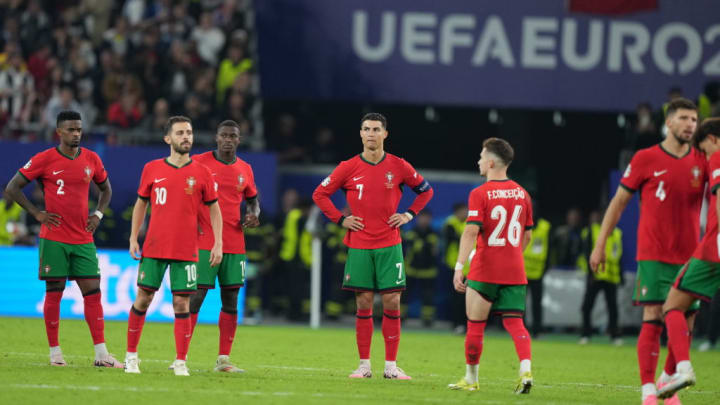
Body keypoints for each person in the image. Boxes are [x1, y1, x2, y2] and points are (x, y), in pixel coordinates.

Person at [590, 98, 705, 405]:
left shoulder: (703, 160)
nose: (690, 125)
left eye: (694, 120)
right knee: (654, 314)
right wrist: (600, 244)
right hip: (654, 252)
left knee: (686, 322)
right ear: (668, 123)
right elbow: (618, 203)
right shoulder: (645, 158)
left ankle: (669, 385)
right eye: (684, 118)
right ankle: (648, 391)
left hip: (691, 256)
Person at [312, 112, 433, 380]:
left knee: (392, 302)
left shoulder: (399, 165)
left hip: (390, 244)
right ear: (360, 134)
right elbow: (319, 194)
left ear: (385, 134)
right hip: (360, 244)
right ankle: (364, 365)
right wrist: (341, 219)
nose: (371, 134)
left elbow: (426, 190)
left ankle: (391, 366)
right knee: (363, 302)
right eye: (366, 129)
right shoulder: (348, 167)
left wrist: (408, 215)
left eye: (376, 129)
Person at [4, 110, 120, 368]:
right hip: (54, 237)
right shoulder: (44, 159)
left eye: (79, 129)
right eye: (70, 129)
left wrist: (98, 214)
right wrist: (36, 213)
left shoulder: (91, 158)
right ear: (59, 131)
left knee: (93, 293)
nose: (76, 133)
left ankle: (102, 354)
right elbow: (12, 187)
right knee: (54, 292)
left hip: (83, 238)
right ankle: (55, 354)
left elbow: (106, 188)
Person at [125, 116, 222, 376]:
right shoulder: (152, 168)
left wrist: (218, 243)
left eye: (189, 132)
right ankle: (131, 357)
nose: (186, 137)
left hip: (186, 249)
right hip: (155, 247)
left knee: (182, 304)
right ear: (167, 138)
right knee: (143, 299)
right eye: (180, 133)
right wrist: (134, 237)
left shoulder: (202, 173)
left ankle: (180, 361)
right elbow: (141, 204)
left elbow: (215, 209)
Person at [448, 138, 534, 394]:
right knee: (515, 323)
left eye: (481, 156)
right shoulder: (523, 193)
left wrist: (459, 266)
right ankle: (526, 370)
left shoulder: (480, 193)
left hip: (485, 269)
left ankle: (471, 378)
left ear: (492, 162)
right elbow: (527, 235)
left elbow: (471, 232)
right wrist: (512, 255)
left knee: (475, 324)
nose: (478, 161)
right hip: (515, 269)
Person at [187, 120, 260, 372]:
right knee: (195, 297)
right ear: (216, 138)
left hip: (235, 243)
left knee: (231, 300)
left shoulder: (245, 169)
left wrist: (253, 214)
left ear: (239, 140)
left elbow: (253, 200)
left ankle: (223, 359)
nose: (228, 139)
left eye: (233, 136)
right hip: (204, 242)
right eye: (224, 135)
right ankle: (181, 356)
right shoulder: (198, 162)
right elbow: (185, 192)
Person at [658, 118, 720, 400]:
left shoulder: (718, 154)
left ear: (713, 139)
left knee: (672, 305)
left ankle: (682, 369)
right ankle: (667, 376)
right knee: (685, 309)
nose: (705, 157)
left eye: (704, 149)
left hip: (714, 249)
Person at [579, 210, 622, 345]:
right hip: (596, 275)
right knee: (587, 306)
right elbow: (586, 252)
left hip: (611, 276)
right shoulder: (592, 230)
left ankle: (614, 335)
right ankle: (586, 334)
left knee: (612, 308)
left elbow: (619, 256)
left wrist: (620, 274)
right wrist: (591, 274)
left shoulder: (617, 233)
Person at [402, 210, 439, 326]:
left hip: (428, 271)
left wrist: (421, 244)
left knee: (428, 296)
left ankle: (427, 318)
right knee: (404, 294)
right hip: (411, 269)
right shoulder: (411, 232)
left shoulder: (433, 233)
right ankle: (401, 316)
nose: (424, 220)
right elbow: (405, 248)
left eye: (427, 218)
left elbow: (435, 251)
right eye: (422, 217)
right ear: (417, 219)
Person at [522, 205, 551, 338]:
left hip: (538, 272)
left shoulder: (546, 227)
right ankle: (521, 330)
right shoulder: (520, 224)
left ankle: (537, 330)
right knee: (521, 303)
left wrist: (547, 266)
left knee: (536, 302)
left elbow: (550, 248)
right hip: (521, 271)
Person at [441, 203, 469, 334]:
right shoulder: (450, 223)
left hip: (470, 267)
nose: (465, 213)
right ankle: (456, 323)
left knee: (468, 298)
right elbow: (454, 238)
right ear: (456, 212)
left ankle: (466, 324)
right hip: (454, 266)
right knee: (456, 298)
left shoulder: (470, 223)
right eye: (462, 211)